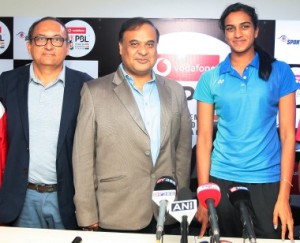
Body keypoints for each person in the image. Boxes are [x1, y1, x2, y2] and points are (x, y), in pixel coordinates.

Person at [72, 17, 192, 232]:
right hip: (116, 213)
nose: (143, 51)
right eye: (134, 44)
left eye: (150, 44)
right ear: (120, 48)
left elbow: (182, 152)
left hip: (167, 212)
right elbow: (83, 158)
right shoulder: (94, 92)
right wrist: (86, 213)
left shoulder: (175, 90)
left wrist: (180, 201)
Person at [194, 2, 296, 240]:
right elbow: (205, 139)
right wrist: (204, 196)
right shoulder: (210, 78)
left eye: (244, 26)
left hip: (267, 182)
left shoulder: (280, 72)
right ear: (225, 33)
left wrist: (283, 196)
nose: (238, 33)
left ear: (256, 30)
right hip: (222, 179)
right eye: (230, 28)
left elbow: (288, 136)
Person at [0, 17, 92, 229]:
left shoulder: (86, 86)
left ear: (68, 47)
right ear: (29, 45)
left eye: (57, 40)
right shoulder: (6, 83)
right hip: (20, 199)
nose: (49, 46)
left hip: (67, 198)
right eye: (41, 39)